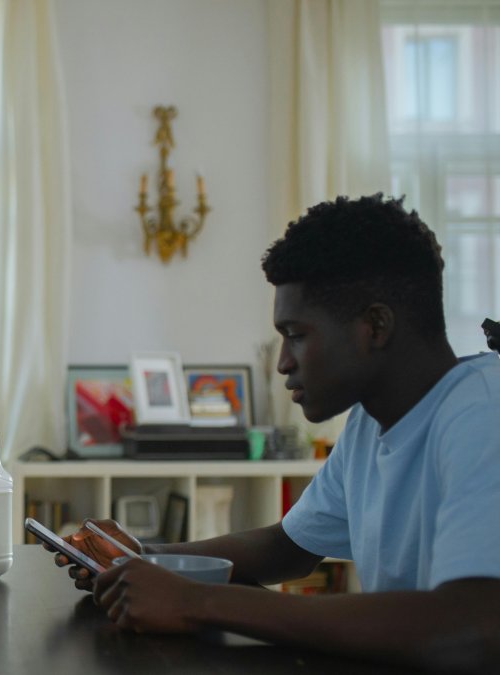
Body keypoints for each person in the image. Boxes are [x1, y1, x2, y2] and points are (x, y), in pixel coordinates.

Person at [52, 195, 500, 671]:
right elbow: (288, 548)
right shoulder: (371, 421)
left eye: (297, 335)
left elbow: (473, 625)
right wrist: (140, 559)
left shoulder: (483, 416)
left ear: (375, 326)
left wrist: (197, 601)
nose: (284, 362)